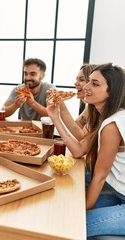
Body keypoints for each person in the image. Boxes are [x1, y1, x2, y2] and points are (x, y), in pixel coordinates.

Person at [46, 63, 125, 238]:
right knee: (64, 211)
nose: (86, 87)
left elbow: (100, 176)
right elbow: (79, 149)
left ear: (111, 92)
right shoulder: (105, 117)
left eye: (95, 84)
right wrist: (55, 117)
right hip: (117, 193)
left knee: (72, 225)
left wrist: (82, 210)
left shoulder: (113, 125)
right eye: (88, 81)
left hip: (119, 195)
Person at [58, 64, 97, 141]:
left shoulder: (99, 108)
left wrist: (61, 107)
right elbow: (77, 126)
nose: (76, 83)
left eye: (81, 80)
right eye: (77, 79)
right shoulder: (91, 106)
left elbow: (82, 138)